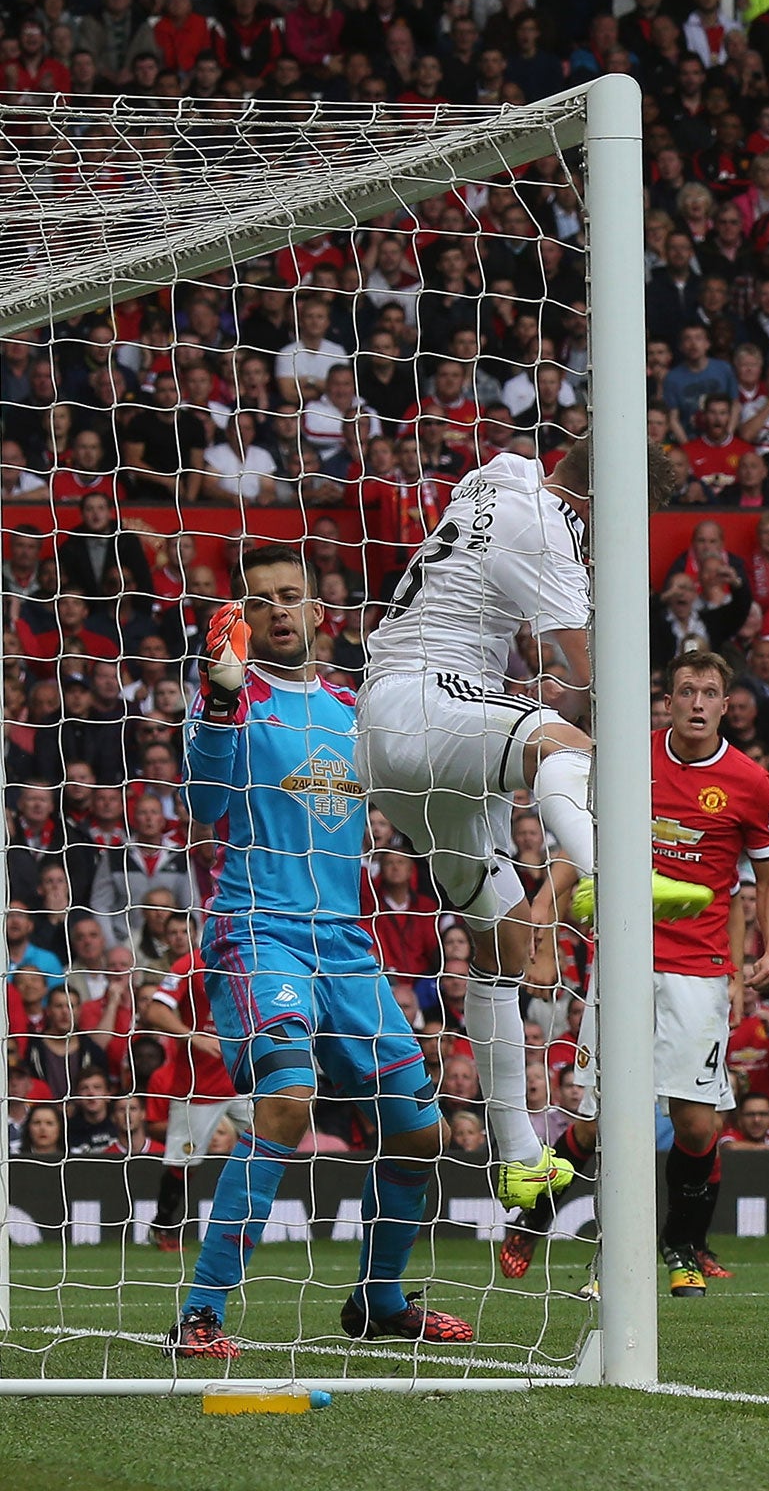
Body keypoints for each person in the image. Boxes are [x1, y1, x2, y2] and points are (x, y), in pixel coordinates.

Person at [356, 442, 702, 1207]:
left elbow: (526, 466)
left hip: (391, 734)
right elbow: (590, 665)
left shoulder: (502, 477)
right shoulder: (552, 528)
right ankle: (611, 879)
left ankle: (517, 1157)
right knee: (563, 744)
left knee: (503, 944)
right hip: (432, 700)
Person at [168, 547, 467, 1359]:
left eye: (290, 596)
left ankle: (378, 1300)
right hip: (256, 930)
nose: (278, 611)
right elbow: (200, 800)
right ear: (244, 618)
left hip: (346, 944)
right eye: (260, 601)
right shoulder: (228, 698)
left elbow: (413, 793)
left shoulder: (351, 707)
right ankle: (200, 1311)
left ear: (318, 612)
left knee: (418, 1131)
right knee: (288, 1099)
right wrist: (222, 702)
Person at [502, 651, 769, 1296]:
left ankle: (683, 1243)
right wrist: (544, 926)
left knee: (695, 1123)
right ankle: (553, 1229)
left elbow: (766, 875)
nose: (695, 702)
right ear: (669, 699)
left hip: (701, 967)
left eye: (708, 692)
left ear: (724, 705)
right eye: (685, 690)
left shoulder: (749, 782)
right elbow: (582, 850)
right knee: (604, 1121)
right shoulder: (630, 763)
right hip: (625, 958)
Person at [141, 946, 250, 1252]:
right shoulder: (190, 963)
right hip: (199, 1084)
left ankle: (243, 1226)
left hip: (246, 1077)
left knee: (271, 1144)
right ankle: (162, 1226)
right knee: (185, 1162)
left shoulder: (259, 955)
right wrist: (192, 1036)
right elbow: (155, 1010)